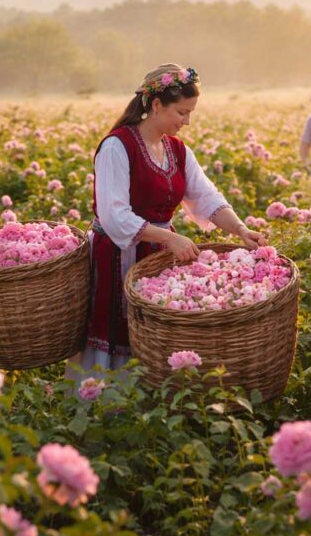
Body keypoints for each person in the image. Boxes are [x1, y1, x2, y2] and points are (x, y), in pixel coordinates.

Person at [69, 63, 266, 376]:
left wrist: (242, 230)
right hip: (119, 253)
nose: (186, 122)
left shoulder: (177, 150)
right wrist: (169, 238)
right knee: (116, 328)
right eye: (182, 113)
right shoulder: (117, 146)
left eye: (190, 114)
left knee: (154, 334)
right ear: (157, 105)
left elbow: (206, 198)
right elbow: (113, 216)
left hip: (159, 255)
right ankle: (105, 408)